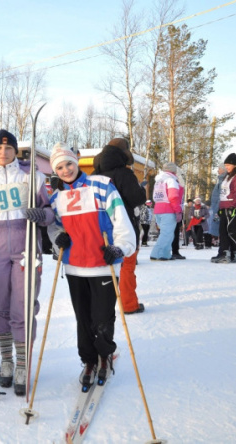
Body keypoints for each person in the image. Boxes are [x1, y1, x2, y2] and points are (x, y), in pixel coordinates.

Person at [0, 130, 54, 396]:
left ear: (15, 150)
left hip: (25, 239)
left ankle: (23, 363)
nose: (3, 153)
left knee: (23, 304)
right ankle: (6, 359)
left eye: (8, 148)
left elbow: (50, 211)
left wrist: (42, 215)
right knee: (1, 302)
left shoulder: (32, 175)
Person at [47, 145, 135, 391]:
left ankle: (104, 356)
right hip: (75, 266)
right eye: (60, 167)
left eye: (69, 163)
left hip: (102, 264)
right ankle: (88, 360)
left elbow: (120, 218)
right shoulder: (56, 198)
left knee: (102, 317)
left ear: (76, 162)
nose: (66, 170)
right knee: (83, 318)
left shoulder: (102, 186)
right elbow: (54, 227)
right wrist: (58, 238)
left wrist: (120, 248)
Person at [92, 138, 146, 315]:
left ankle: (100, 304)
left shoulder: (93, 175)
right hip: (124, 226)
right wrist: (141, 189)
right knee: (126, 266)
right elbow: (137, 198)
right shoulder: (124, 174)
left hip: (99, 228)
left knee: (101, 268)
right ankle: (129, 304)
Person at [212, 153, 236, 263]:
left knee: (230, 231)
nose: (226, 167)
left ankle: (230, 253)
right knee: (223, 231)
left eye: (228, 165)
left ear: (235, 165)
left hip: (233, 206)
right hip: (224, 206)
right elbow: (223, 193)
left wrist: (234, 206)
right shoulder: (228, 176)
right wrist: (220, 207)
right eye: (225, 165)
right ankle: (225, 253)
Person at [150, 163, 183, 261]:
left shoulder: (158, 181)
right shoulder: (171, 180)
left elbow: (155, 197)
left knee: (167, 233)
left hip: (158, 209)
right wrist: (178, 210)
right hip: (168, 210)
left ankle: (165, 254)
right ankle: (157, 254)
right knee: (166, 234)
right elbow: (173, 197)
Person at [209, 167, 226, 248]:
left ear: (223, 170)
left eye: (219, 168)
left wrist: (216, 209)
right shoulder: (220, 180)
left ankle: (223, 245)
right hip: (217, 208)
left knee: (219, 226)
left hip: (219, 209)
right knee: (217, 225)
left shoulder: (223, 181)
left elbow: (221, 196)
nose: (218, 170)